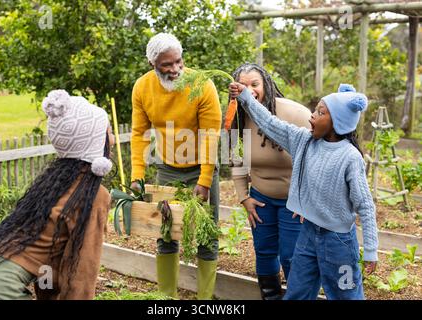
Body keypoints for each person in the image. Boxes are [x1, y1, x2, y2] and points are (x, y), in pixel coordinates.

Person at [229, 82, 378, 300]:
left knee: (345, 294)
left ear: (337, 122)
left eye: (320, 112)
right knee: (297, 292)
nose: (312, 116)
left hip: (339, 243)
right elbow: (269, 123)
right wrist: (246, 98)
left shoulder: (350, 157)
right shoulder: (303, 141)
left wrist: (372, 250)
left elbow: (365, 205)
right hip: (307, 234)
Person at [0, 90, 114, 300]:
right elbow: (81, 272)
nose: (113, 138)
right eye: (109, 133)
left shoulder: (51, 187)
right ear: (96, 143)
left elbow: (47, 266)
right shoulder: (93, 196)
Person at [130, 33, 222, 299]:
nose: (175, 70)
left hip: (200, 167)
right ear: (152, 64)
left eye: (178, 62)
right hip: (168, 168)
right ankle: (166, 298)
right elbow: (139, 134)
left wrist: (204, 181)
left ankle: (204, 300)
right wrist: (137, 176)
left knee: (206, 235)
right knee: (166, 232)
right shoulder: (142, 88)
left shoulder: (202, 86)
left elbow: (210, 136)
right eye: (166, 65)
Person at [230, 63, 311, 300]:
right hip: (261, 198)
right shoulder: (236, 116)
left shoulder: (295, 113)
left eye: (255, 84)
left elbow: (314, 158)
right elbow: (235, 161)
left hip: (294, 201)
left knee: (291, 255)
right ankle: (271, 297)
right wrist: (244, 197)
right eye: (243, 86)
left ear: (266, 84)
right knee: (264, 252)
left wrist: (306, 200)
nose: (249, 91)